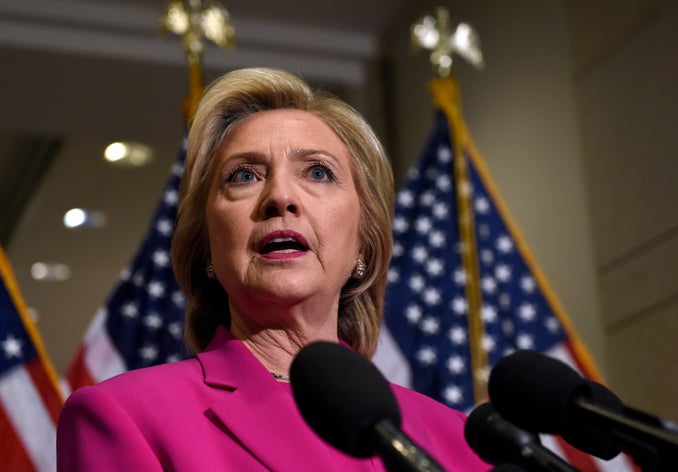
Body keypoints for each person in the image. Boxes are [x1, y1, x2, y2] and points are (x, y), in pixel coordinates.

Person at [57, 67, 491, 471]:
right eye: (243, 176)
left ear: (364, 242)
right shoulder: (126, 416)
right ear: (206, 247)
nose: (280, 196)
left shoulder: (455, 440)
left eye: (318, 172)